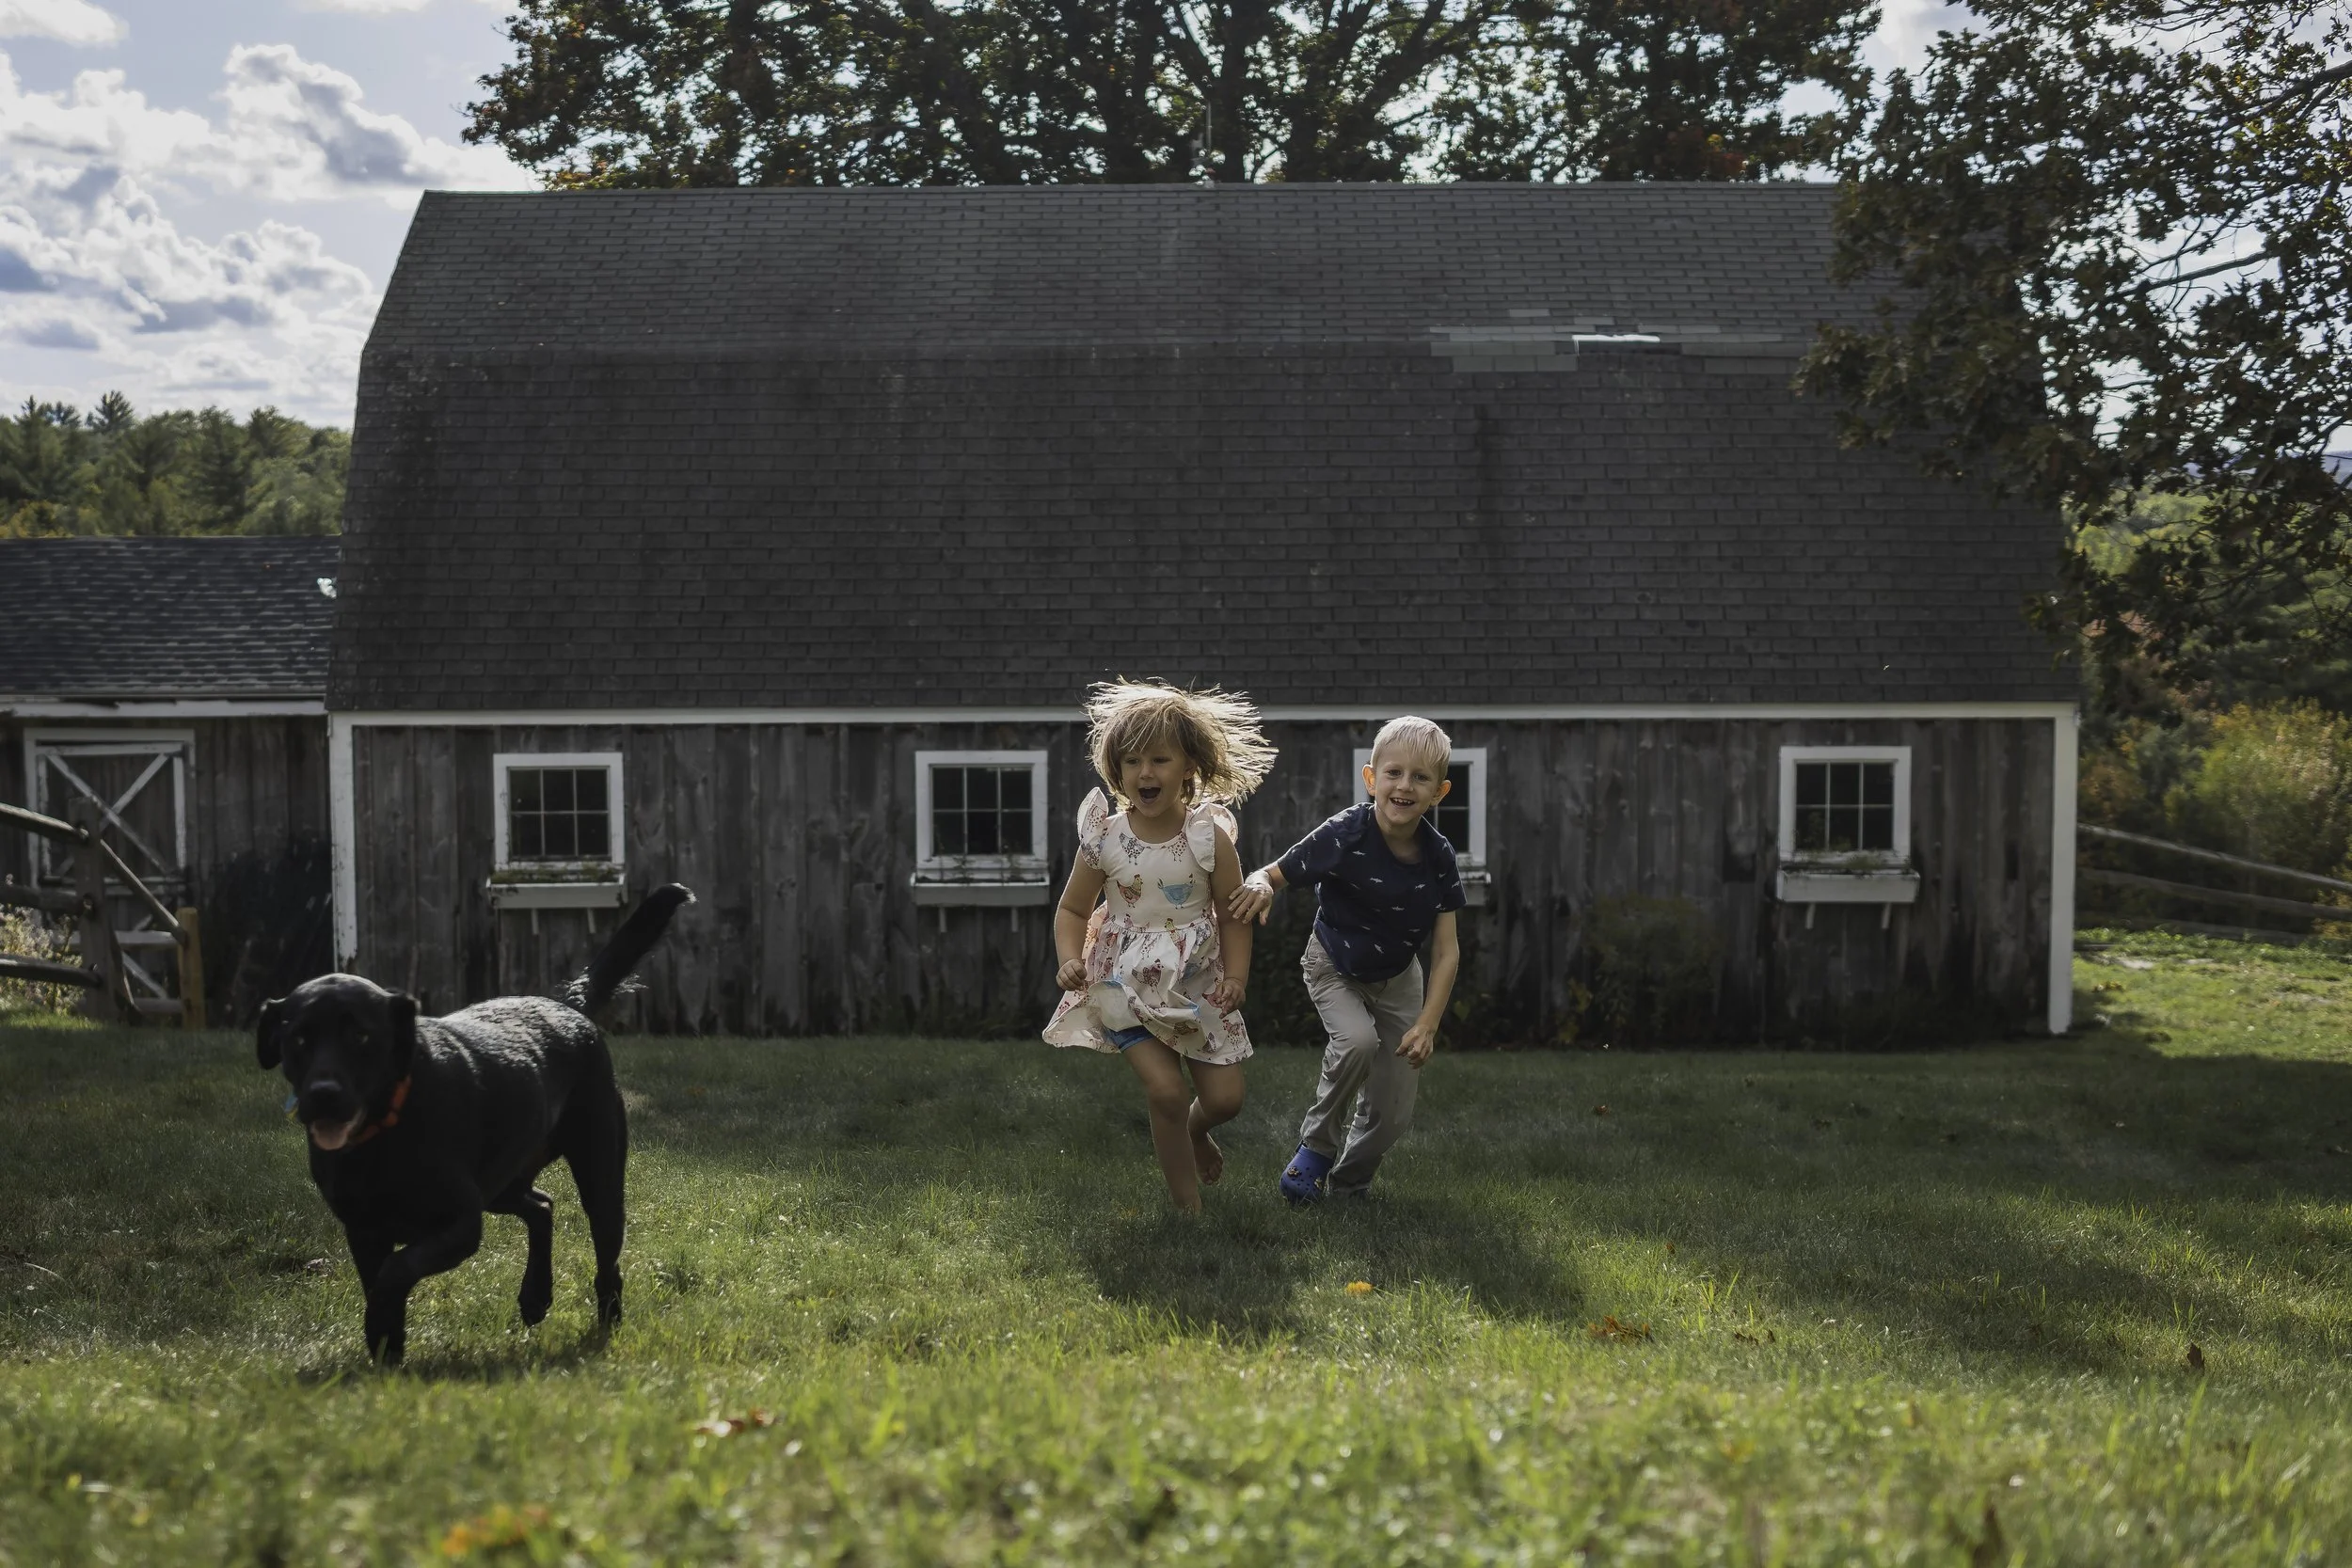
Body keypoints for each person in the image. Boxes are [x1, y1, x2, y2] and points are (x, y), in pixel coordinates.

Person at [1044, 681, 1277, 1212]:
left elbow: (1231, 912)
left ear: (1188, 767)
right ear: (1116, 771)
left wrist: (1237, 976)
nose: (1145, 773)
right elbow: (1072, 910)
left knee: (1225, 1100)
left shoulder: (1207, 837)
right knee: (1167, 1093)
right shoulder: (1103, 839)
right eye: (1132, 762)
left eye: (1160, 759)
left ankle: (1197, 1133)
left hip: (1198, 984)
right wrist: (1069, 958)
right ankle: (1188, 1209)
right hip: (1124, 988)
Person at [1228, 715, 1464, 1203]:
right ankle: (1314, 1152)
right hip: (1333, 963)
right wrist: (1257, 885)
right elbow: (1274, 873)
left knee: (1393, 1112)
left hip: (1399, 978)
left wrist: (1428, 1024)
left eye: (1420, 778)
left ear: (1439, 792)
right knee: (1357, 1041)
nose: (1405, 786)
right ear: (1372, 778)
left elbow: (1446, 951)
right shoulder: (1345, 833)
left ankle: (1349, 1184)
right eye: (1394, 773)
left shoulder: (1438, 855)